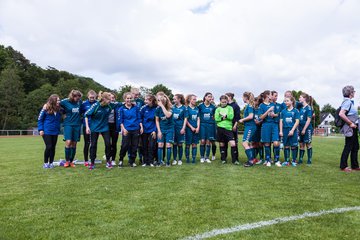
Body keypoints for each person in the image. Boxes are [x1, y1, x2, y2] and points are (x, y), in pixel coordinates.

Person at [85, 91, 120, 170]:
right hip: (94, 128)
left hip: (105, 128)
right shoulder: (96, 105)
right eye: (109, 99)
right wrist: (87, 127)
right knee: (93, 145)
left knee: (108, 144)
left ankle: (108, 161)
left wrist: (132, 103)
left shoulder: (110, 105)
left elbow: (121, 103)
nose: (110, 101)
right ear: (104, 99)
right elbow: (86, 115)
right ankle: (92, 162)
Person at [118, 92, 143, 168]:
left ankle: (132, 161)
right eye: (127, 98)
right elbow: (120, 121)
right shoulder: (121, 109)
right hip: (126, 130)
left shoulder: (136, 108)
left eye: (130, 98)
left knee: (135, 146)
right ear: (124, 99)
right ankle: (121, 160)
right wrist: (123, 129)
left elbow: (139, 118)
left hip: (135, 129)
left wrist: (141, 127)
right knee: (125, 145)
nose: (129, 100)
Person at [339, 85, 360, 172]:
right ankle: (343, 166)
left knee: (355, 146)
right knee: (348, 146)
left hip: (353, 127)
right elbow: (341, 114)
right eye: (353, 91)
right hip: (350, 128)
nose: (354, 92)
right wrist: (351, 123)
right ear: (350, 93)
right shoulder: (347, 102)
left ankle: (355, 165)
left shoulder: (349, 102)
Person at [60, 90, 83, 168]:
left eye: (79, 97)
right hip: (68, 124)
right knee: (68, 142)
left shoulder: (80, 102)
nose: (78, 99)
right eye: (77, 97)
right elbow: (56, 103)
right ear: (73, 96)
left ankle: (71, 161)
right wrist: (62, 113)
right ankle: (66, 161)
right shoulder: (65, 102)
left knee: (74, 143)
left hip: (77, 125)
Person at [38, 94, 61, 168]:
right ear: (53, 101)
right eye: (57, 100)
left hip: (55, 131)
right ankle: (45, 163)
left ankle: (51, 163)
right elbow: (40, 119)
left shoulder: (60, 109)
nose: (59, 101)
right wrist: (40, 129)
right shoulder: (45, 109)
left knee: (53, 147)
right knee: (49, 146)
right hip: (47, 131)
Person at [259, 90, 281, 167]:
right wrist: (268, 111)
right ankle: (268, 160)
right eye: (271, 95)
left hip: (274, 125)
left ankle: (277, 160)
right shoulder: (261, 106)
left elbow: (278, 114)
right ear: (267, 96)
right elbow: (261, 117)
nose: (272, 96)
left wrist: (274, 115)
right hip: (266, 125)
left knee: (276, 143)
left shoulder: (273, 104)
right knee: (267, 143)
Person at [214, 95, 238, 164]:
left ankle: (234, 160)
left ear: (227, 101)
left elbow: (231, 116)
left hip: (228, 128)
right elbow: (216, 119)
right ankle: (223, 159)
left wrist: (226, 116)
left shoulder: (230, 108)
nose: (224, 103)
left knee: (233, 144)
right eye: (222, 102)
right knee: (222, 144)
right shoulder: (217, 109)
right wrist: (223, 118)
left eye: (225, 102)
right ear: (220, 102)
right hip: (220, 128)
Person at [279, 97, 300, 167]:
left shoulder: (296, 111)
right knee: (286, 146)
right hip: (285, 130)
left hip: (293, 130)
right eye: (285, 101)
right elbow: (281, 121)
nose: (286, 102)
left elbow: (297, 121)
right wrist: (281, 131)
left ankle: (294, 161)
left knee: (294, 146)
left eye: (287, 101)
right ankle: (286, 161)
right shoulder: (283, 111)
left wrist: (292, 130)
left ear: (292, 102)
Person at [155, 93, 174, 167]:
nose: (159, 101)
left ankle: (168, 162)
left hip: (169, 129)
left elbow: (168, 115)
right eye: (158, 100)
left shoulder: (171, 108)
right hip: (161, 129)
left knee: (168, 145)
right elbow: (157, 120)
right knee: (160, 144)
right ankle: (159, 162)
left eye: (161, 100)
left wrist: (162, 106)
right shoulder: (157, 109)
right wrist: (159, 131)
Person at [239, 92, 257, 167]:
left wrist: (242, 119)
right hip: (249, 126)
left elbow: (250, 116)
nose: (242, 98)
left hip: (250, 127)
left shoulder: (249, 106)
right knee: (248, 143)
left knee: (245, 143)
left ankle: (251, 161)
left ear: (246, 98)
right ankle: (251, 159)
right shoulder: (249, 106)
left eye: (243, 97)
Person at [80, 90, 97, 166]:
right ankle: (86, 160)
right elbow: (80, 113)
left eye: (93, 97)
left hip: (95, 126)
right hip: (86, 126)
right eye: (90, 97)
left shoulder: (97, 103)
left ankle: (92, 158)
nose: (92, 99)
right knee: (87, 143)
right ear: (88, 96)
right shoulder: (84, 104)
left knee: (94, 143)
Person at [198, 92, 217, 163]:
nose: (210, 98)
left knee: (208, 141)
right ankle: (202, 157)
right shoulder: (200, 106)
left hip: (210, 125)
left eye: (211, 97)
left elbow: (216, 115)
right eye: (209, 96)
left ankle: (207, 157)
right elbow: (197, 115)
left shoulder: (213, 107)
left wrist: (214, 118)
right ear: (205, 97)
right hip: (202, 125)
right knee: (202, 141)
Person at [140, 94, 157, 167]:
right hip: (144, 130)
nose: (145, 101)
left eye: (147, 100)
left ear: (151, 100)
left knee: (151, 146)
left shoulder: (156, 108)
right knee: (144, 146)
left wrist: (154, 130)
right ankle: (145, 161)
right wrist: (141, 127)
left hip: (152, 130)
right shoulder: (143, 108)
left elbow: (157, 121)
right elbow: (140, 118)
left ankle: (151, 161)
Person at [172, 94, 188, 165]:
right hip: (173, 128)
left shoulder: (184, 108)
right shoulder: (172, 107)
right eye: (173, 99)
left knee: (180, 144)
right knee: (174, 144)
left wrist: (183, 128)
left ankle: (180, 159)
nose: (174, 100)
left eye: (175, 99)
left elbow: (185, 118)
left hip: (180, 128)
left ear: (179, 99)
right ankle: (175, 159)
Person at [298, 92, 313, 164]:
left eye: (300, 97)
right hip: (300, 128)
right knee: (301, 144)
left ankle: (309, 159)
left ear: (304, 99)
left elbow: (309, 120)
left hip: (307, 129)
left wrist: (304, 129)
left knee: (308, 143)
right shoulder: (301, 108)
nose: (299, 99)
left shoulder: (308, 108)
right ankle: (300, 159)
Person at [185, 94, 200, 164]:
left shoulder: (197, 109)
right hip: (188, 129)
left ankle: (193, 159)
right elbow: (186, 120)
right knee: (188, 144)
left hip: (196, 129)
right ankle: (187, 158)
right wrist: (191, 127)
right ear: (189, 100)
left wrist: (198, 128)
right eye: (193, 99)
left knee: (194, 144)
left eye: (195, 99)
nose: (195, 101)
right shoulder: (186, 108)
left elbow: (198, 119)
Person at [226, 93, 241, 162]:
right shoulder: (225, 105)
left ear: (230, 97)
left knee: (234, 142)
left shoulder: (236, 106)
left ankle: (235, 159)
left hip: (233, 126)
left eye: (226, 97)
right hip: (225, 126)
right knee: (224, 142)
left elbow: (238, 117)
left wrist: (235, 125)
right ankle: (224, 158)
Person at [131, 87, 145, 163]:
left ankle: (141, 158)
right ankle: (131, 158)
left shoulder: (141, 101)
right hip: (131, 125)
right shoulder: (128, 100)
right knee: (131, 143)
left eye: (138, 94)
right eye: (135, 94)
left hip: (140, 124)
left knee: (140, 143)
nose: (136, 96)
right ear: (131, 93)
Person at [108, 93, 122, 166]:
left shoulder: (117, 105)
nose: (111, 99)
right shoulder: (105, 105)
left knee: (114, 143)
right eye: (110, 97)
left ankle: (113, 159)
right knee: (108, 143)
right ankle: (108, 157)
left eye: (113, 97)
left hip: (115, 126)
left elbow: (123, 103)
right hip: (106, 126)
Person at [253, 96, 264, 165]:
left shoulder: (260, 109)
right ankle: (254, 158)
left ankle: (261, 158)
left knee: (260, 143)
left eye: (255, 101)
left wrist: (259, 122)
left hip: (259, 128)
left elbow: (262, 118)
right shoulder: (251, 109)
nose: (254, 102)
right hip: (253, 129)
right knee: (254, 143)